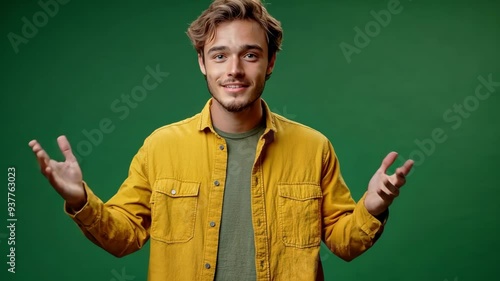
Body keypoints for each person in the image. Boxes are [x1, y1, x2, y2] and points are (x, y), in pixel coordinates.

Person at [28, 0, 414, 280]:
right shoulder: (160, 146)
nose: (234, 70)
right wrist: (80, 199)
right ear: (202, 62)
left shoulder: (314, 147)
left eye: (250, 55)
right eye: (219, 56)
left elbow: (343, 243)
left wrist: (373, 206)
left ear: (271, 62)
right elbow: (125, 236)